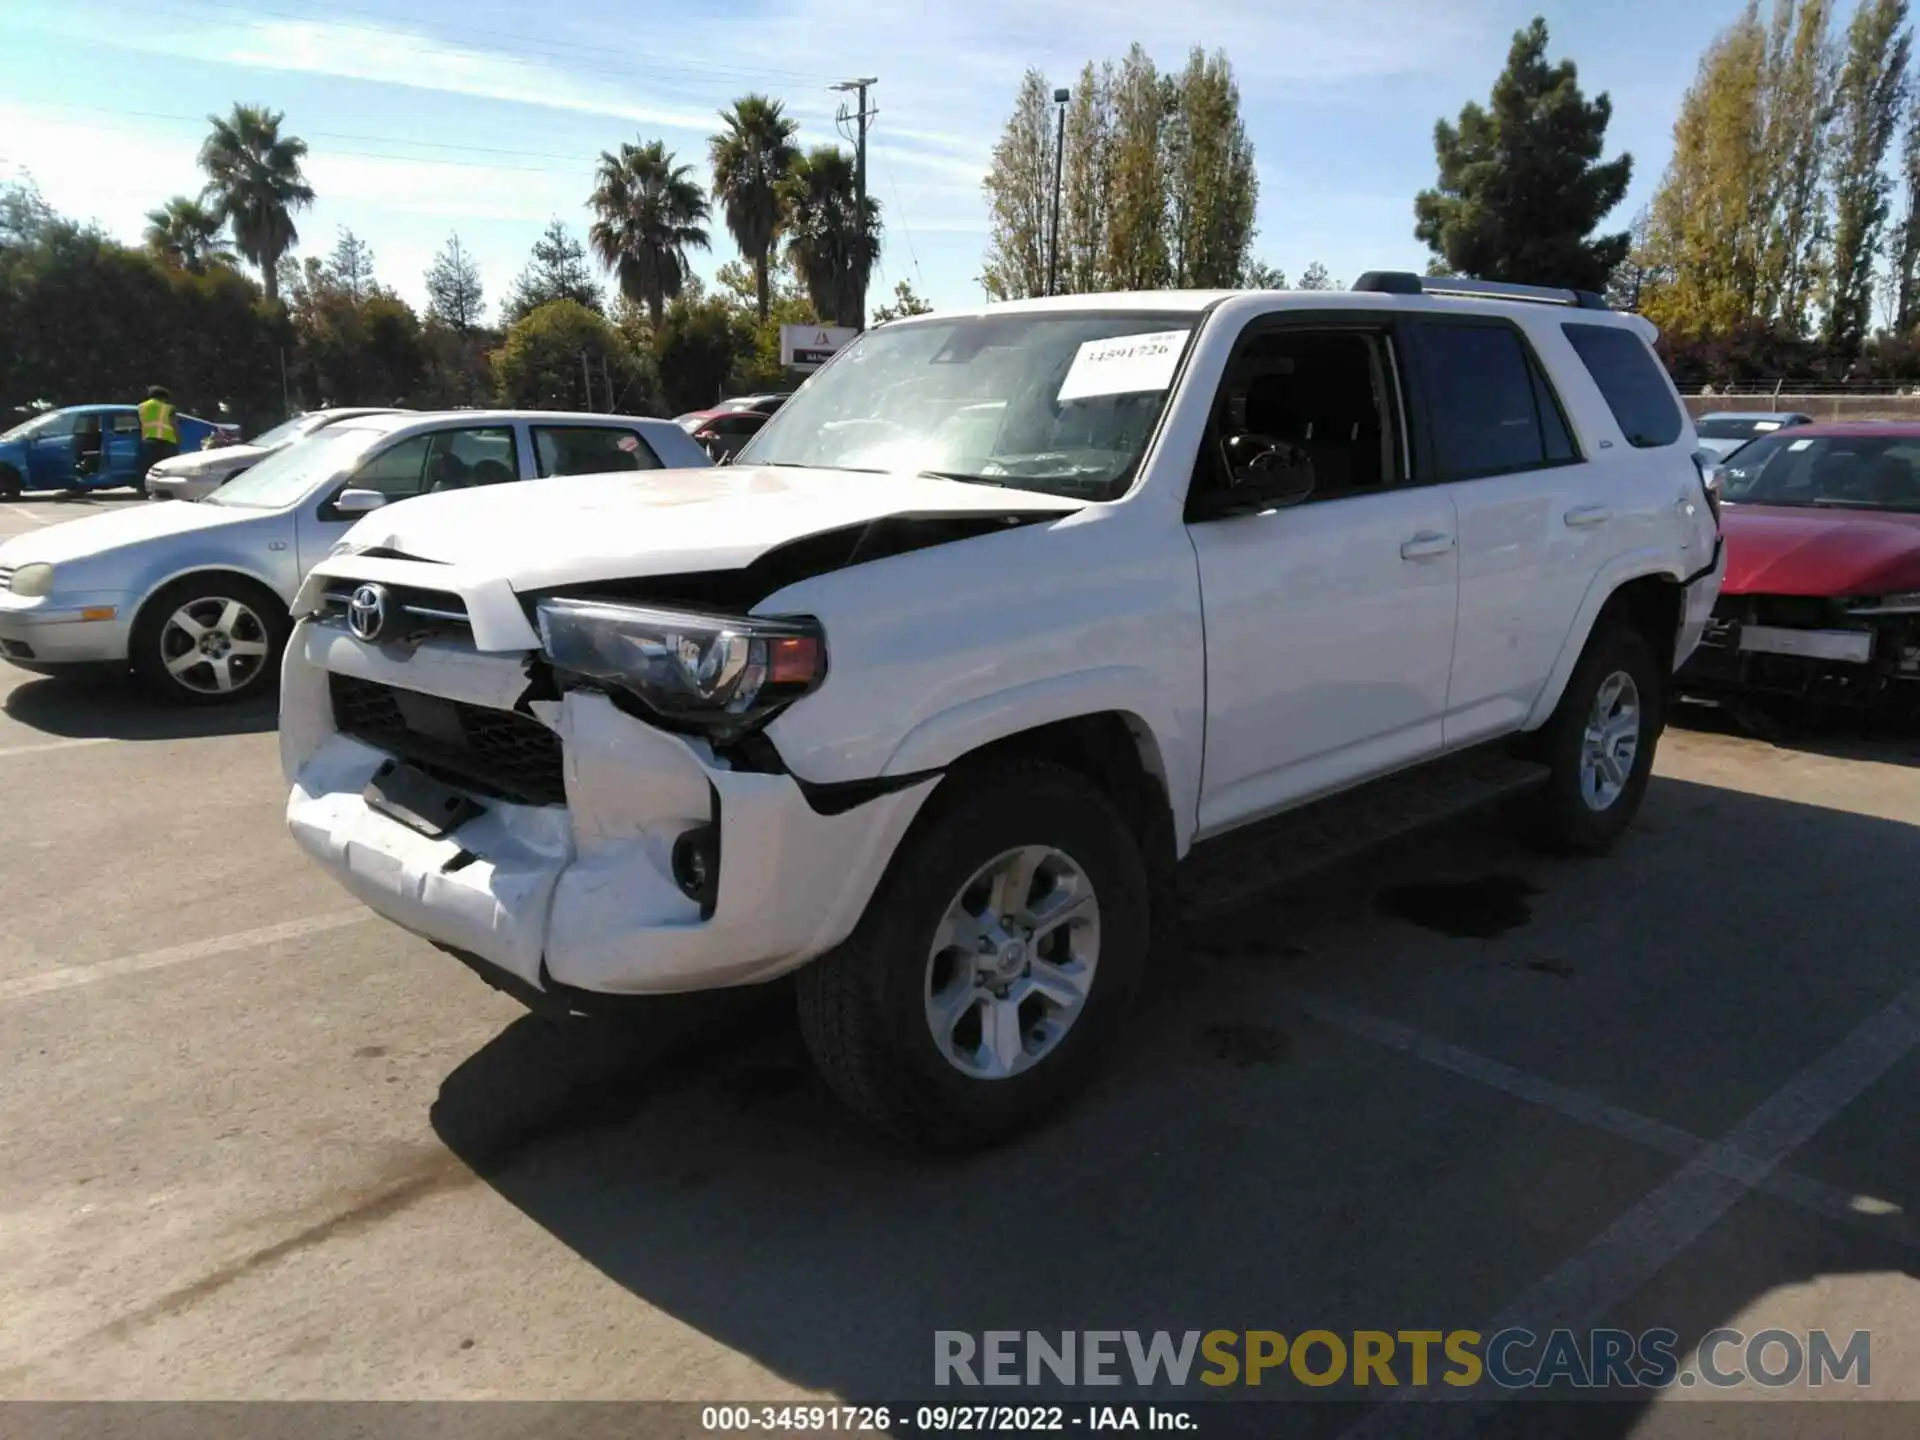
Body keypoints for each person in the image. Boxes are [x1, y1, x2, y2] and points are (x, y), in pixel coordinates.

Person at [135, 384, 179, 488]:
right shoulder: (169, 408)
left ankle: (143, 489)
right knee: (167, 468)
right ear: (163, 397)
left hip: (148, 440)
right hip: (167, 442)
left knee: (146, 468)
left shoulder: (141, 407)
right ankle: (164, 488)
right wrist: (178, 440)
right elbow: (174, 425)